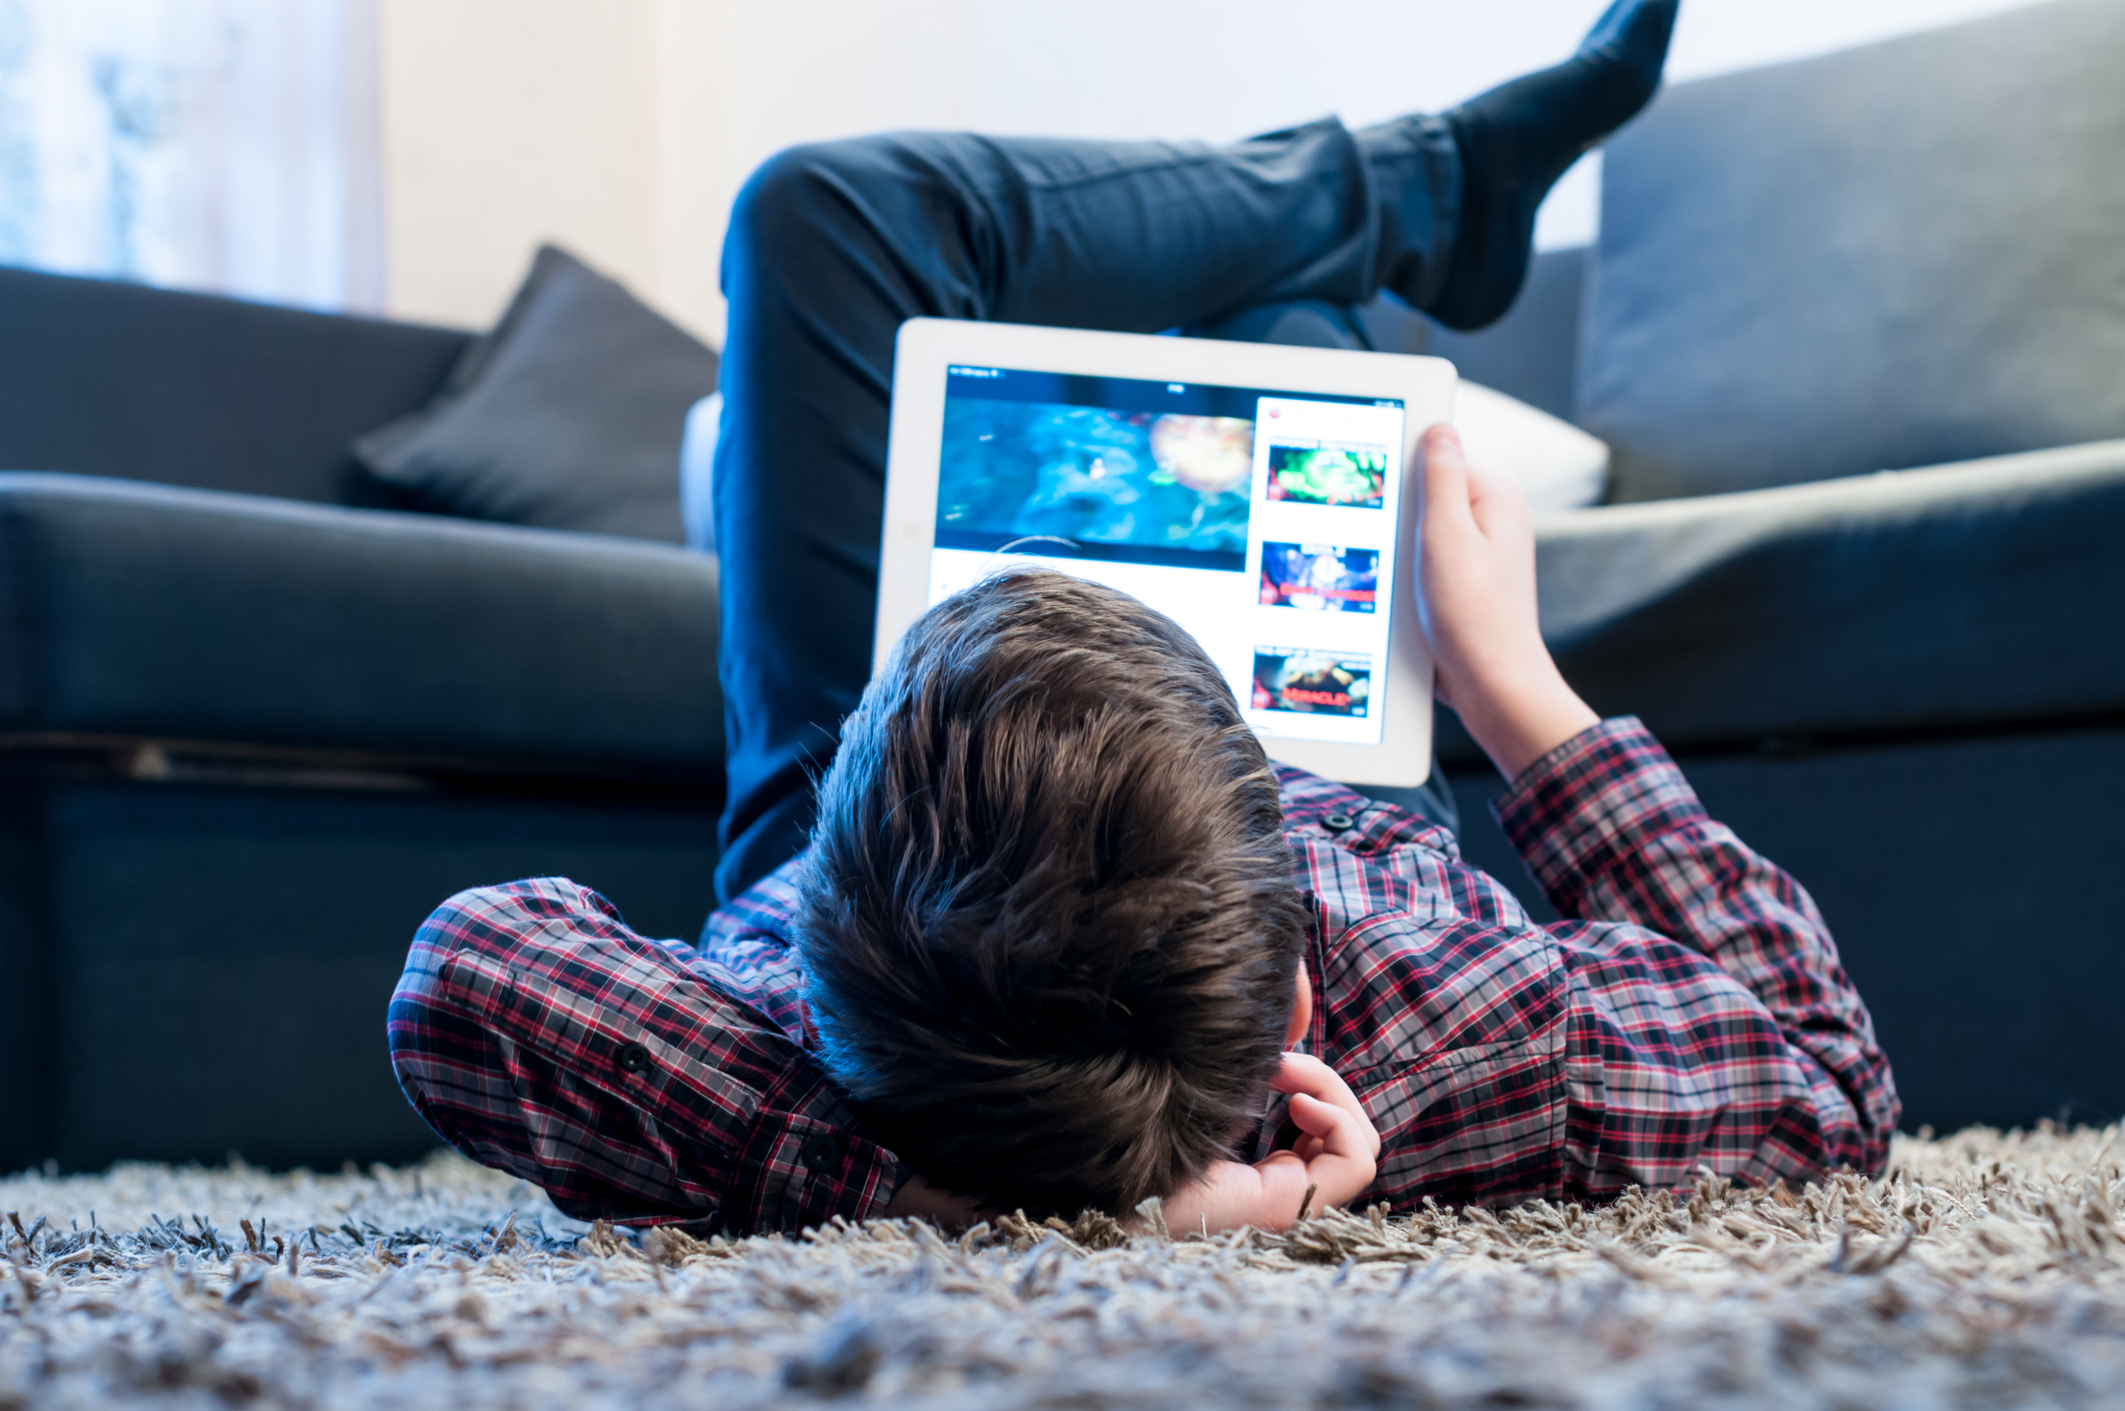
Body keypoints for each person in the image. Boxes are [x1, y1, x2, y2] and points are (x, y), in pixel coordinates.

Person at [387, 0, 1900, 1234]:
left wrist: (937, 1197)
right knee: (1293, 341)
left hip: (891, 916)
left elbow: (470, 975)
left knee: (816, 215)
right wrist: (1514, 689)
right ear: (1303, 991)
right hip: (1322, 825)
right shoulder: (1464, 1011)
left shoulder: (787, 1016)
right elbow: (1830, 1080)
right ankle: (1425, 191)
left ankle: (1426, 188)